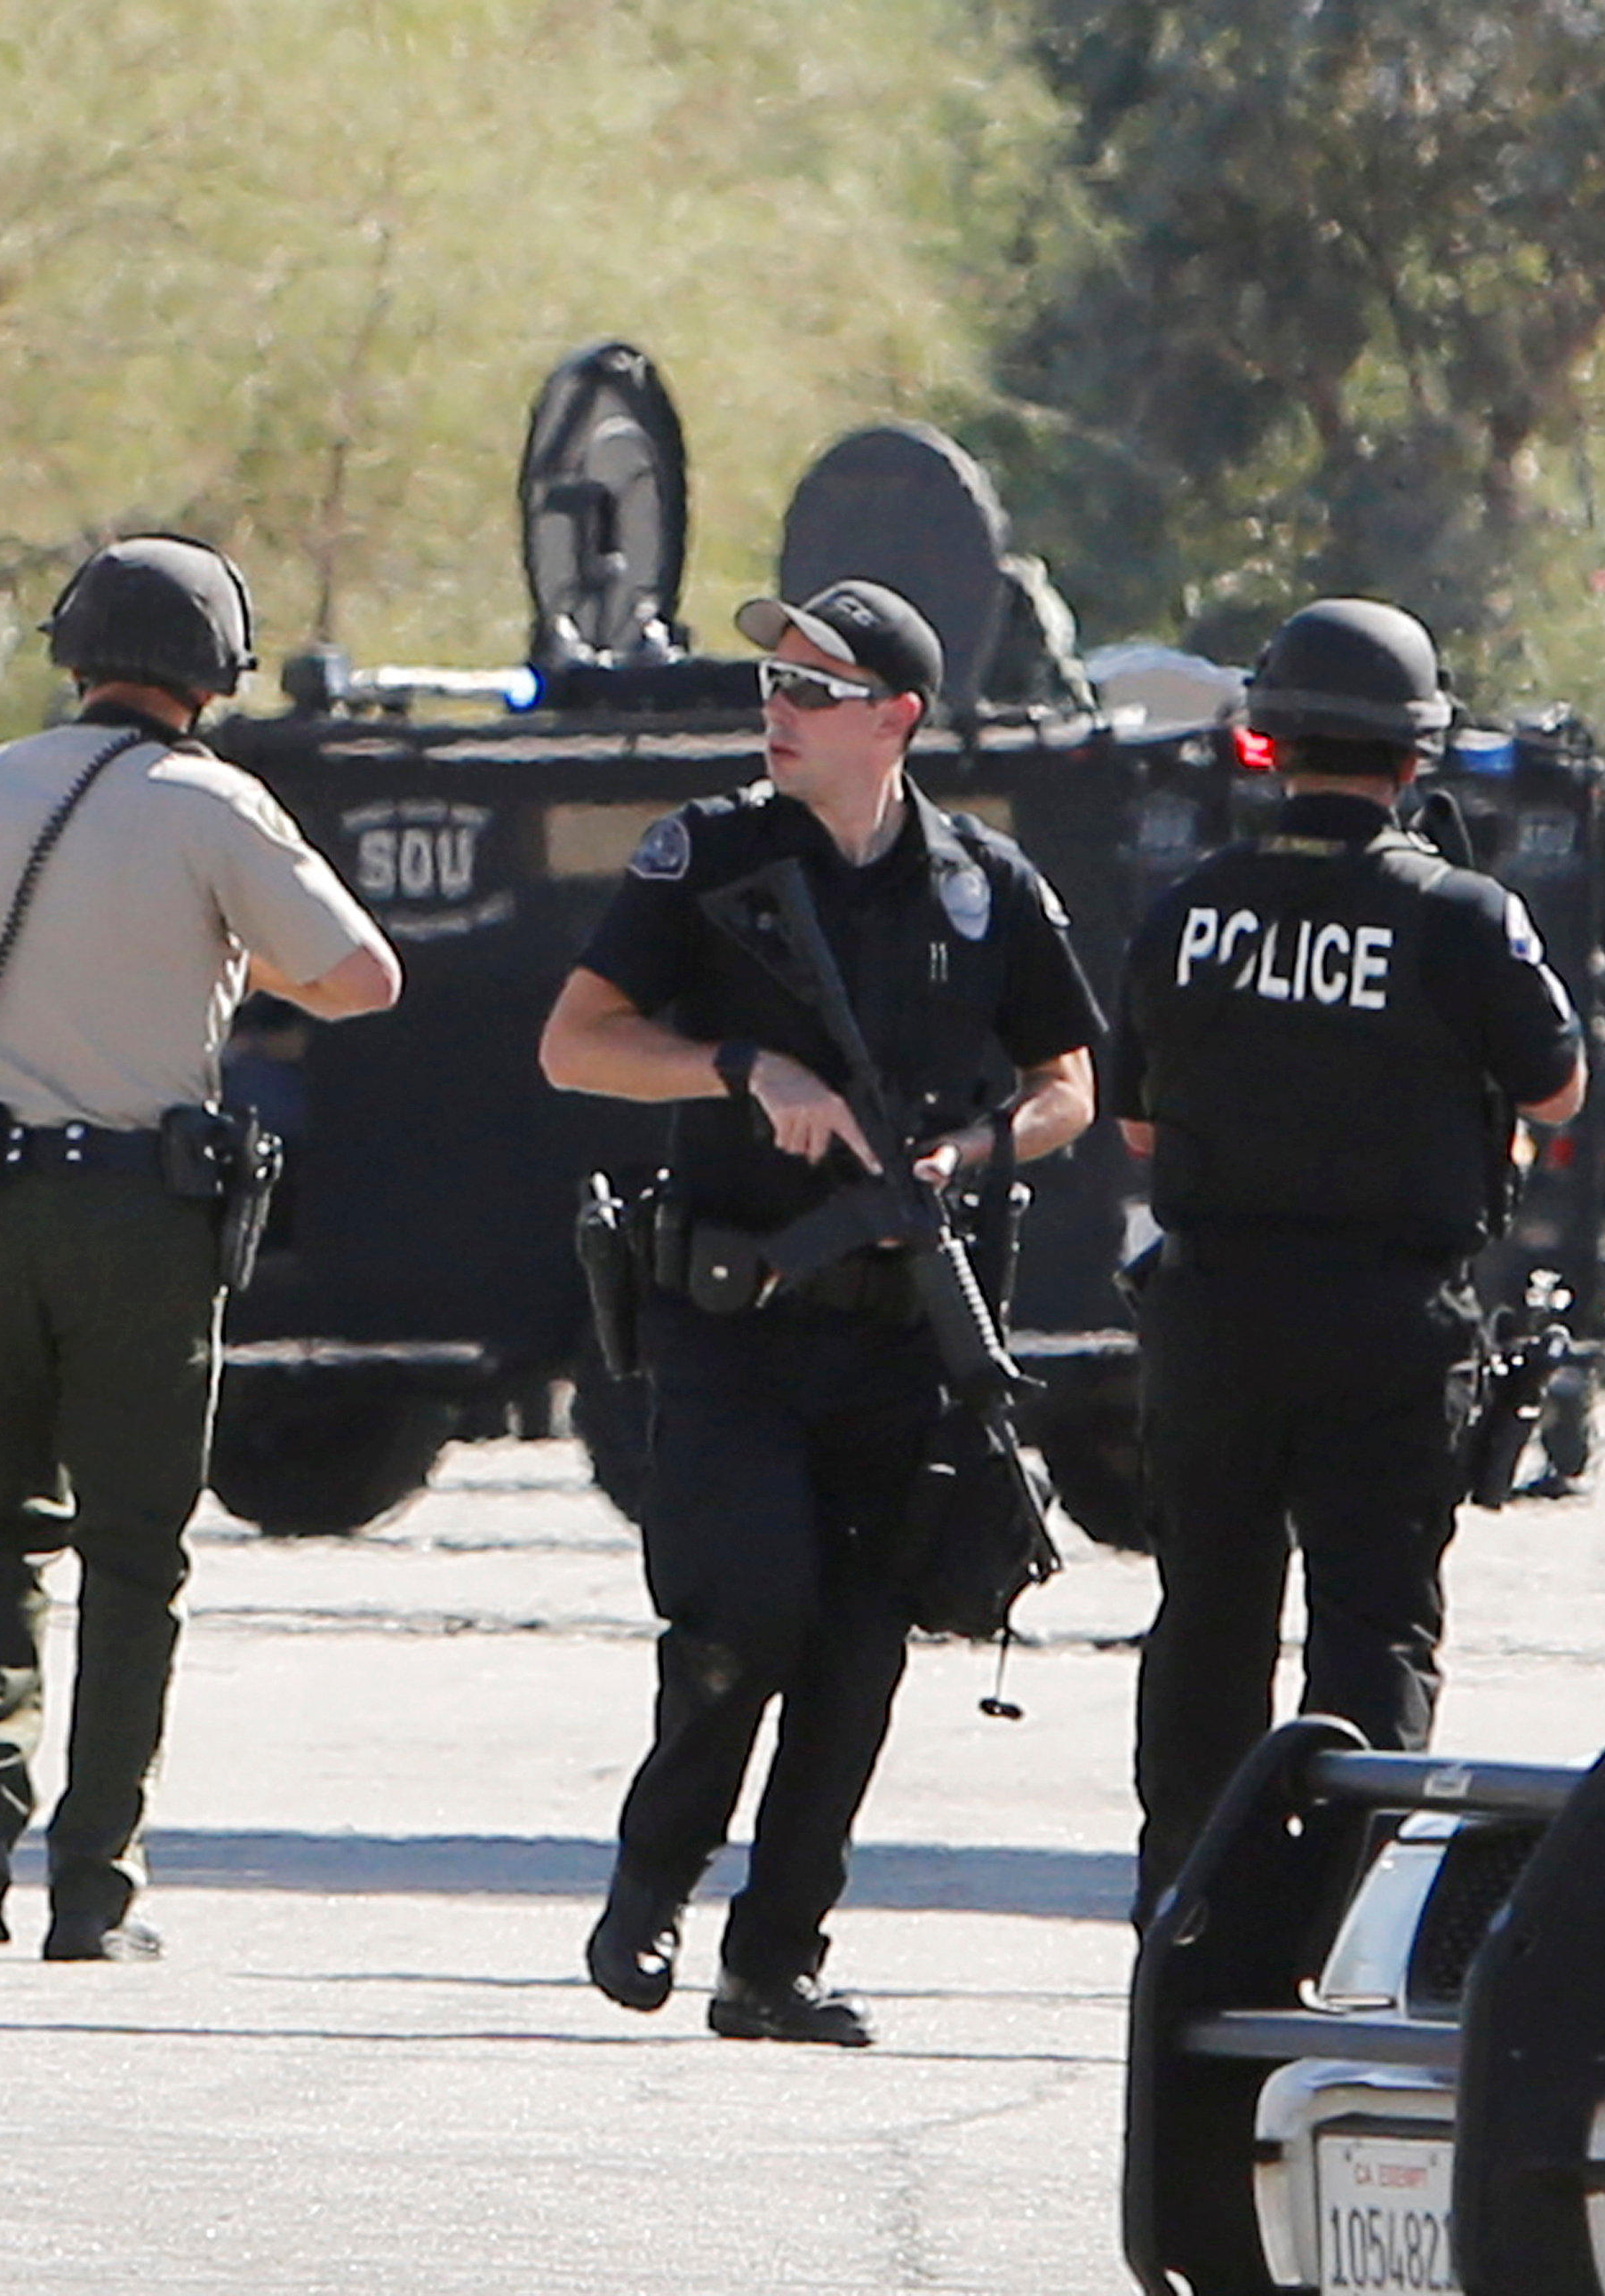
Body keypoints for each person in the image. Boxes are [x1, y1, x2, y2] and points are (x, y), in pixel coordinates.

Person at [539, 577, 1101, 2046]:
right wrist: (743, 1069)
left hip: (901, 1322)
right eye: (773, 682)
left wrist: (972, 1148)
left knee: (861, 1648)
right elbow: (576, 1043)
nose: (776, 708)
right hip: (733, 1311)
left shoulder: (983, 885)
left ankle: (775, 1954)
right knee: (746, 1608)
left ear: (896, 718)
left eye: (813, 689)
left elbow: (1070, 1084)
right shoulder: (707, 856)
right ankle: (652, 1878)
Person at [0, 534, 400, 1963]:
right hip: (136, 1216)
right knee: (133, 1553)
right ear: (215, 669)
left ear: (73, 651)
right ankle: (94, 1880)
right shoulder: (210, 802)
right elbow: (362, 977)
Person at [1109, 597, 1585, 1921]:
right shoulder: (1462, 918)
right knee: (1373, 1627)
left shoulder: (1186, 912)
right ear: (1415, 760)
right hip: (1386, 1317)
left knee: (1208, 1615)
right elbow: (1557, 1095)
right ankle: (1335, 1913)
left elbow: (1138, 1117)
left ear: (1267, 742)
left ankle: (1186, 1907)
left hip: (1212, 1314)